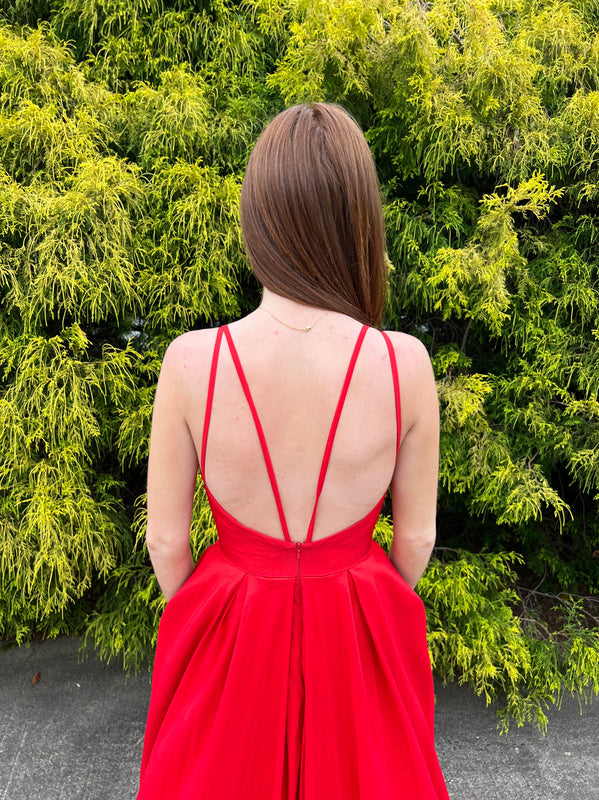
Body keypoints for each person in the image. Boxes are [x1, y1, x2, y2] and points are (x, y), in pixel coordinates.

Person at [136, 103, 449, 799]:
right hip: (359, 627)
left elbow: (165, 543)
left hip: (233, 630)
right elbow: (418, 538)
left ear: (260, 218)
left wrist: (219, 630)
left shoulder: (193, 363)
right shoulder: (406, 364)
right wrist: (360, 616)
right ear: (358, 220)